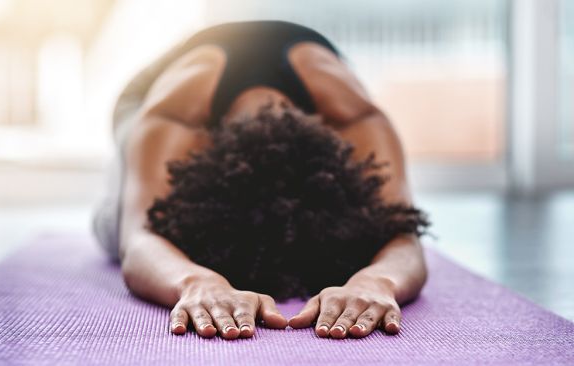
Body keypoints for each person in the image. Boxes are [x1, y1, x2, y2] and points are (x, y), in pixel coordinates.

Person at [92, 20, 429, 341]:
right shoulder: (175, 117)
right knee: (116, 223)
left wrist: (377, 281)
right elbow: (138, 239)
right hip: (152, 95)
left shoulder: (356, 119)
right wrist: (195, 281)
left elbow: (402, 233)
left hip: (300, 89)